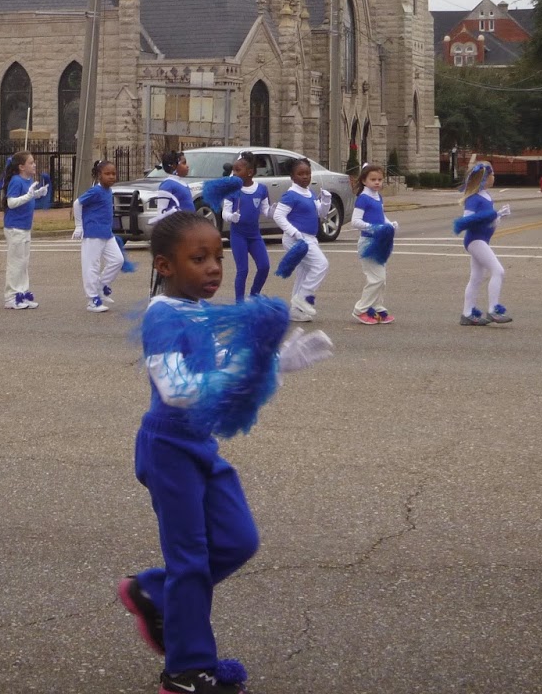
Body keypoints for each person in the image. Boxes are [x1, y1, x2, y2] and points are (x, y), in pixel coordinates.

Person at [116, 211, 334, 694]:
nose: (214, 267)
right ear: (165, 266)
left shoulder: (199, 311)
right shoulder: (162, 315)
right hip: (169, 449)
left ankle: (154, 589)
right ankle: (186, 671)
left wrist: (275, 364)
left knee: (238, 541)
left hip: (200, 446)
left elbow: (223, 368)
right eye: (199, 259)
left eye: (218, 256)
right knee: (191, 560)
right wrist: (242, 375)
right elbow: (176, 389)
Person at [270, 157, 330, 323]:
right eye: (301, 174)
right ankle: (302, 298)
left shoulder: (309, 192)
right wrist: (294, 232)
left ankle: (296, 311)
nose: (305, 176)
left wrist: (326, 200)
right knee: (321, 264)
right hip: (297, 240)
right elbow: (278, 215)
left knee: (303, 272)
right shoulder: (291, 195)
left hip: (309, 238)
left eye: (308, 173)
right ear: (292, 176)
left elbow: (321, 213)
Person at [454, 161, 512, 326]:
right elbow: (466, 221)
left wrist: (499, 215)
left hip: (482, 239)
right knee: (498, 271)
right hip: (475, 240)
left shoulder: (486, 196)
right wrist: (492, 215)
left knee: (476, 278)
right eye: (492, 174)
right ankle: (494, 310)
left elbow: (491, 223)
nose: (494, 177)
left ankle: (467, 313)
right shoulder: (473, 199)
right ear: (484, 178)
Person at [221, 152, 271, 304]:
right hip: (238, 235)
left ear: (250, 172)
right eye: (234, 170)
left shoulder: (261, 189)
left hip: (254, 235)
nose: (234, 173)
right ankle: (239, 304)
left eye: (238, 170)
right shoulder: (232, 190)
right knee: (243, 270)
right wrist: (231, 217)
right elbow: (225, 212)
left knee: (264, 266)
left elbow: (265, 210)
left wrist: (274, 211)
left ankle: (254, 295)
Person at [75, 159, 123, 313]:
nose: (111, 177)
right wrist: (79, 225)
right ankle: (92, 299)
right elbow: (77, 203)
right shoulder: (96, 191)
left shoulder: (108, 191)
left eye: (113, 173)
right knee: (91, 266)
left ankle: (102, 286)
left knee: (117, 260)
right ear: (98, 175)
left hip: (106, 233)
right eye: (107, 174)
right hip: (93, 233)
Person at [349, 162, 394, 324]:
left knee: (381, 278)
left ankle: (376, 307)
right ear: (364, 181)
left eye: (380, 179)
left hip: (379, 242)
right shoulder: (363, 199)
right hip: (368, 242)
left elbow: (381, 216)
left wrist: (389, 224)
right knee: (376, 278)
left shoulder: (378, 197)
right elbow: (355, 221)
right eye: (373, 179)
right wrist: (374, 228)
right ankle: (360, 309)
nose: (377, 182)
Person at [1, 151, 47, 309]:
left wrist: (37, 195)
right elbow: (12, 202)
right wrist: (29, 196)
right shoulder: (16, 181)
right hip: (15, 227)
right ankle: (11, 297)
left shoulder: (28, 181)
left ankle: (22, 292)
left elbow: (28, 199)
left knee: (23, 263)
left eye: (34, 162)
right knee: (15, 263)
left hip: (25, 227)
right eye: (31, 162)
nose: (34, 165)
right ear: (21, 167)